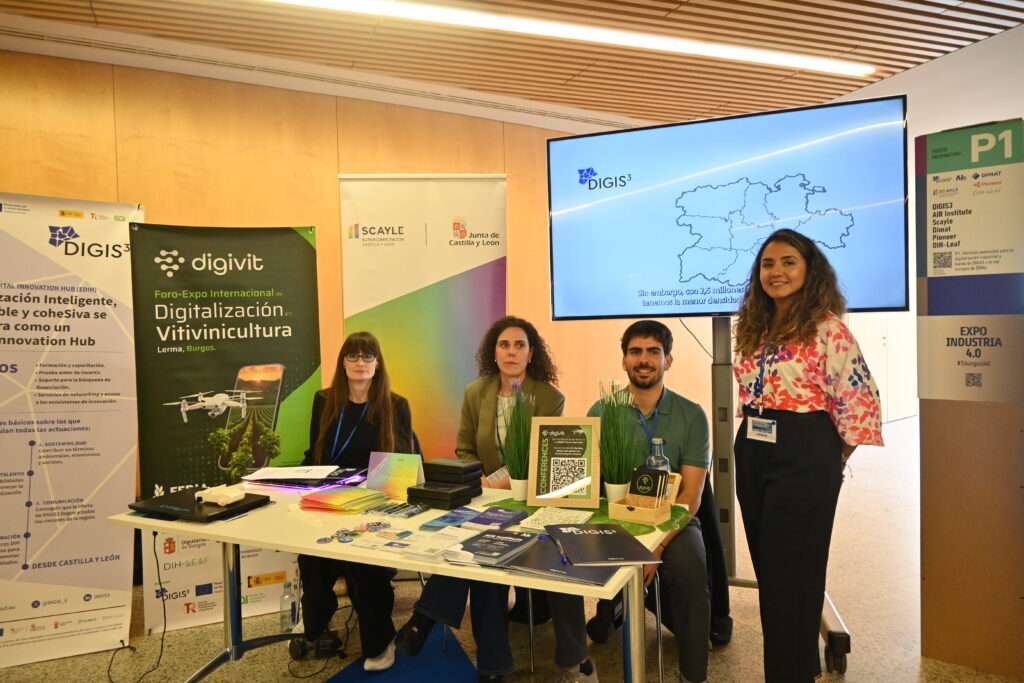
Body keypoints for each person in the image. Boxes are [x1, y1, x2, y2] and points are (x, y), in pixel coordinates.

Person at [732, 229, 882, 683]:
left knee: (793, 575)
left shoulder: (829, 329)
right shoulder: (754, 327)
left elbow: (861, 402)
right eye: (768, 264)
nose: (776, 272)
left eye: (788, 262)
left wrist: (826, 461)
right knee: (772, 575)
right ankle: (797, 667)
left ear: (809, 269)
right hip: (754, 447)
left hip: (804, 452)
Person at [395, 316, 578, 683]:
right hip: (483, 499)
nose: (511, 352)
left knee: (481, 552)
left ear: (531, 354)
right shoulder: (475, 392)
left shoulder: (549, 398)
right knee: (478, 555)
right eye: (504, 345)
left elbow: (542, 455)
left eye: (519, 345)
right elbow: (464, 448)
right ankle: (492, 665)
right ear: (493, 353)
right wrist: (476, 482)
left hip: (529, 502)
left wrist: (494, 482)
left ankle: (427, 619)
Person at [583, 320, 712, 683]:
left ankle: (693, 673)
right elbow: (589, 485)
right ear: (624, 360)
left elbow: (691, 497)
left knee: (690, 568)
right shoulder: (600, 412)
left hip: (673, 523)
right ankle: (606, 617)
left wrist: (656, 547)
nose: (644, 360)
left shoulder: (692, 415)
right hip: (613, 520)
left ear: (668, 360)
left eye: (653, 352)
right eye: (635, 352)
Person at [296, 331, 414, 671]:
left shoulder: (395, 405)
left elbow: (402, 467)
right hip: (327, 503)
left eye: (367, 356)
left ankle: (380, 643)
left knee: (364, 566)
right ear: (343, 363)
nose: (360, 362)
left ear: (377, 364)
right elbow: (315, 455)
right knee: (312, 560)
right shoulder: (324, 401)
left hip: (374, 506)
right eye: (353, 356)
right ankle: (316, 629)